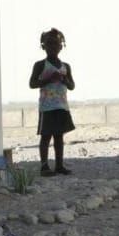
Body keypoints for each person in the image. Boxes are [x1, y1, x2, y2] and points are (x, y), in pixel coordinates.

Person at [29, 28, 75, 177]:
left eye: (56, 44)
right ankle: (44, 166)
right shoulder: (40, 65)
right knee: (46, 136)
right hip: (47, 107)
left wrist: (64, 79)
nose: (53, 47)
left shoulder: (66, 66)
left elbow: (72, 86)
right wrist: (48, 79)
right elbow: (32, 83)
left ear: (61, 46)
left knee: (59, 136)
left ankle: (59, 165)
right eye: (49, 44)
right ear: (44, 46)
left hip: (61, 106)